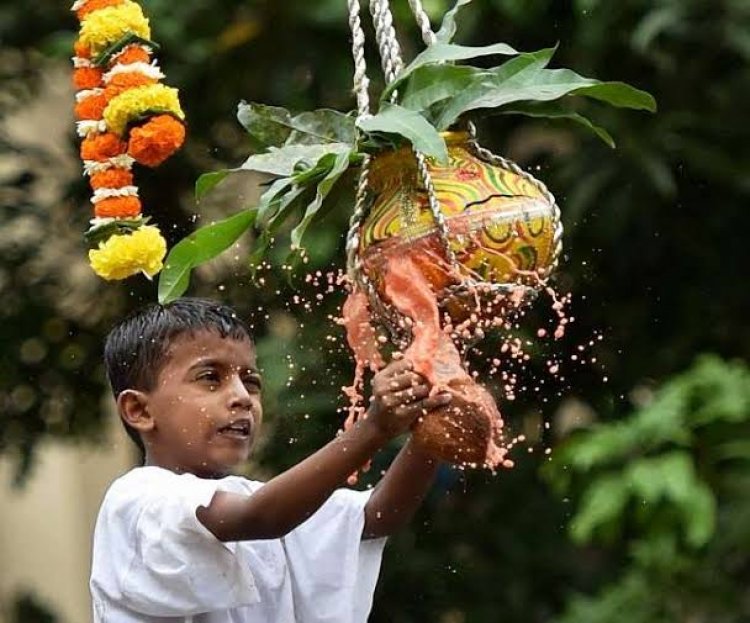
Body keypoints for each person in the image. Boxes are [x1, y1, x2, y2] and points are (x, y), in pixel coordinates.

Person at [90, 297, 453, 622]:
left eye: (251, 382)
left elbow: (376, 516)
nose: (242, 397)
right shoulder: (138, 500)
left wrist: (432, 428)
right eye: (210, 378)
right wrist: (373, 428)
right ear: (138, 410)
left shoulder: (252, 496)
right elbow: (262, 517)